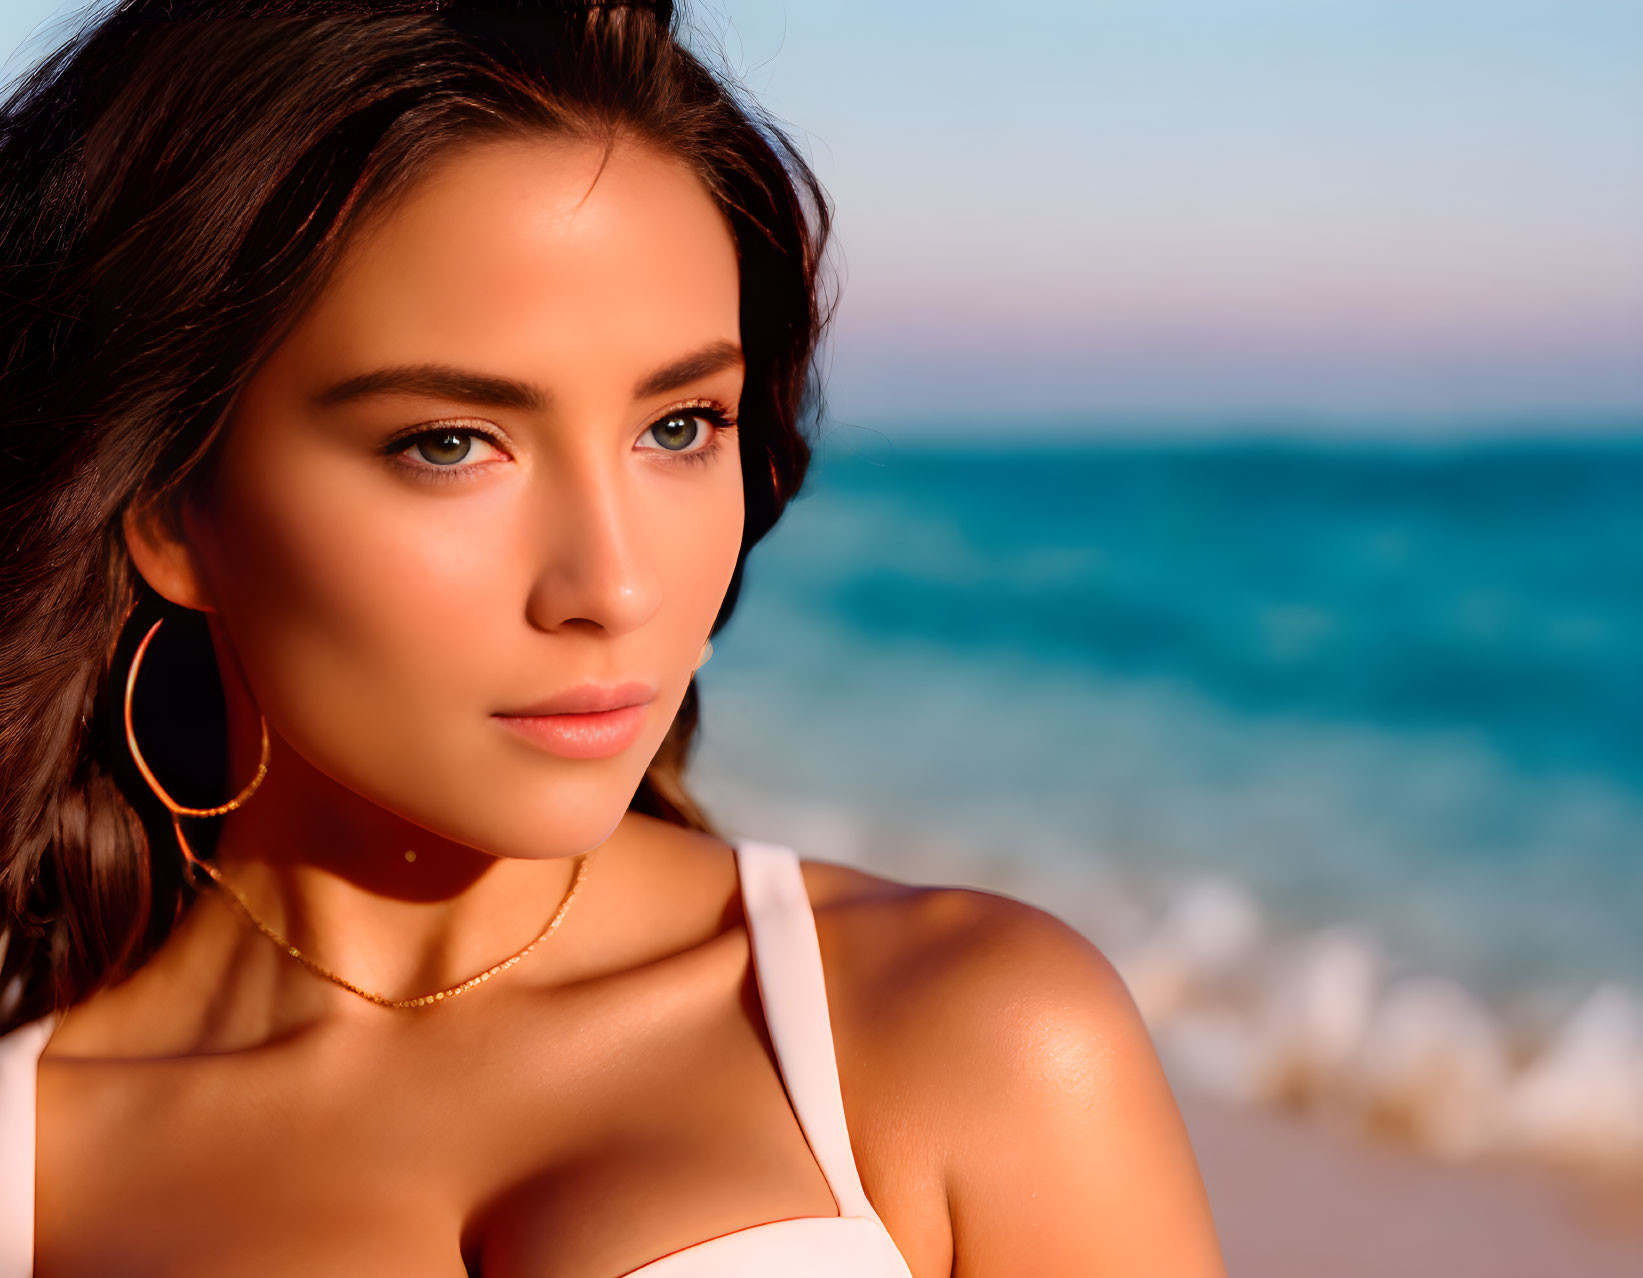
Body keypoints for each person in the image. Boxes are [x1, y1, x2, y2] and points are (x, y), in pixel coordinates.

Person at [0, 2, 1225, 1273]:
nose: (618, 586)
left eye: (680, 426)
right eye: (450, 443)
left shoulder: (964, 1036)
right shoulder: (34, 1160)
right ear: (167, 513)